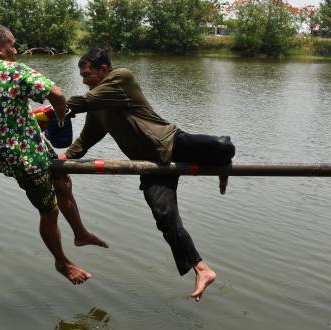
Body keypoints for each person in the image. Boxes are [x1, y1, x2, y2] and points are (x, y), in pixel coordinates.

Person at [62, 48, 235, 301]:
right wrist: (64, 158)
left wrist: (56, 106)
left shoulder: (121, 78)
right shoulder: (98, 106)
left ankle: (222, 162)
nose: (84, 80)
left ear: (103, 70)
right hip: (150, 164)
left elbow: (82, 102)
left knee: (223, 147)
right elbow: (85, 140)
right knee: (164, 216)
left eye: (87, 74)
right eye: (81, 76)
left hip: (172, 142)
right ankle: (202, 269)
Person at [0, 25, 107, 285]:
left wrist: (34, 119)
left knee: (63, 181)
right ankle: (62, 263)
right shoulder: (13, 69)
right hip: (25, 157)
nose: (15, 49)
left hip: (16, 149)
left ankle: (80, 233)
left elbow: (4, 113)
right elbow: (56, 93)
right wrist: (59, 117)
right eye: (12, 44)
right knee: (49, 210)